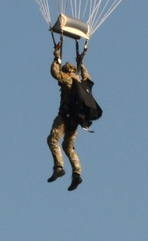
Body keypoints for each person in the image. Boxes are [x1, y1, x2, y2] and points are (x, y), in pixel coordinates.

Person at [46, 40, 90, 191]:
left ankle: (59, 167)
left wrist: (56, 55)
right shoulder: (81, 81)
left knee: (53, 140)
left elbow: (55, 73)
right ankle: (77, 173)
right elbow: (88, 79)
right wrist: (82, 64)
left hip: (64, 118)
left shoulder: (67, 78)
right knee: (68, 146)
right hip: (76, 120)